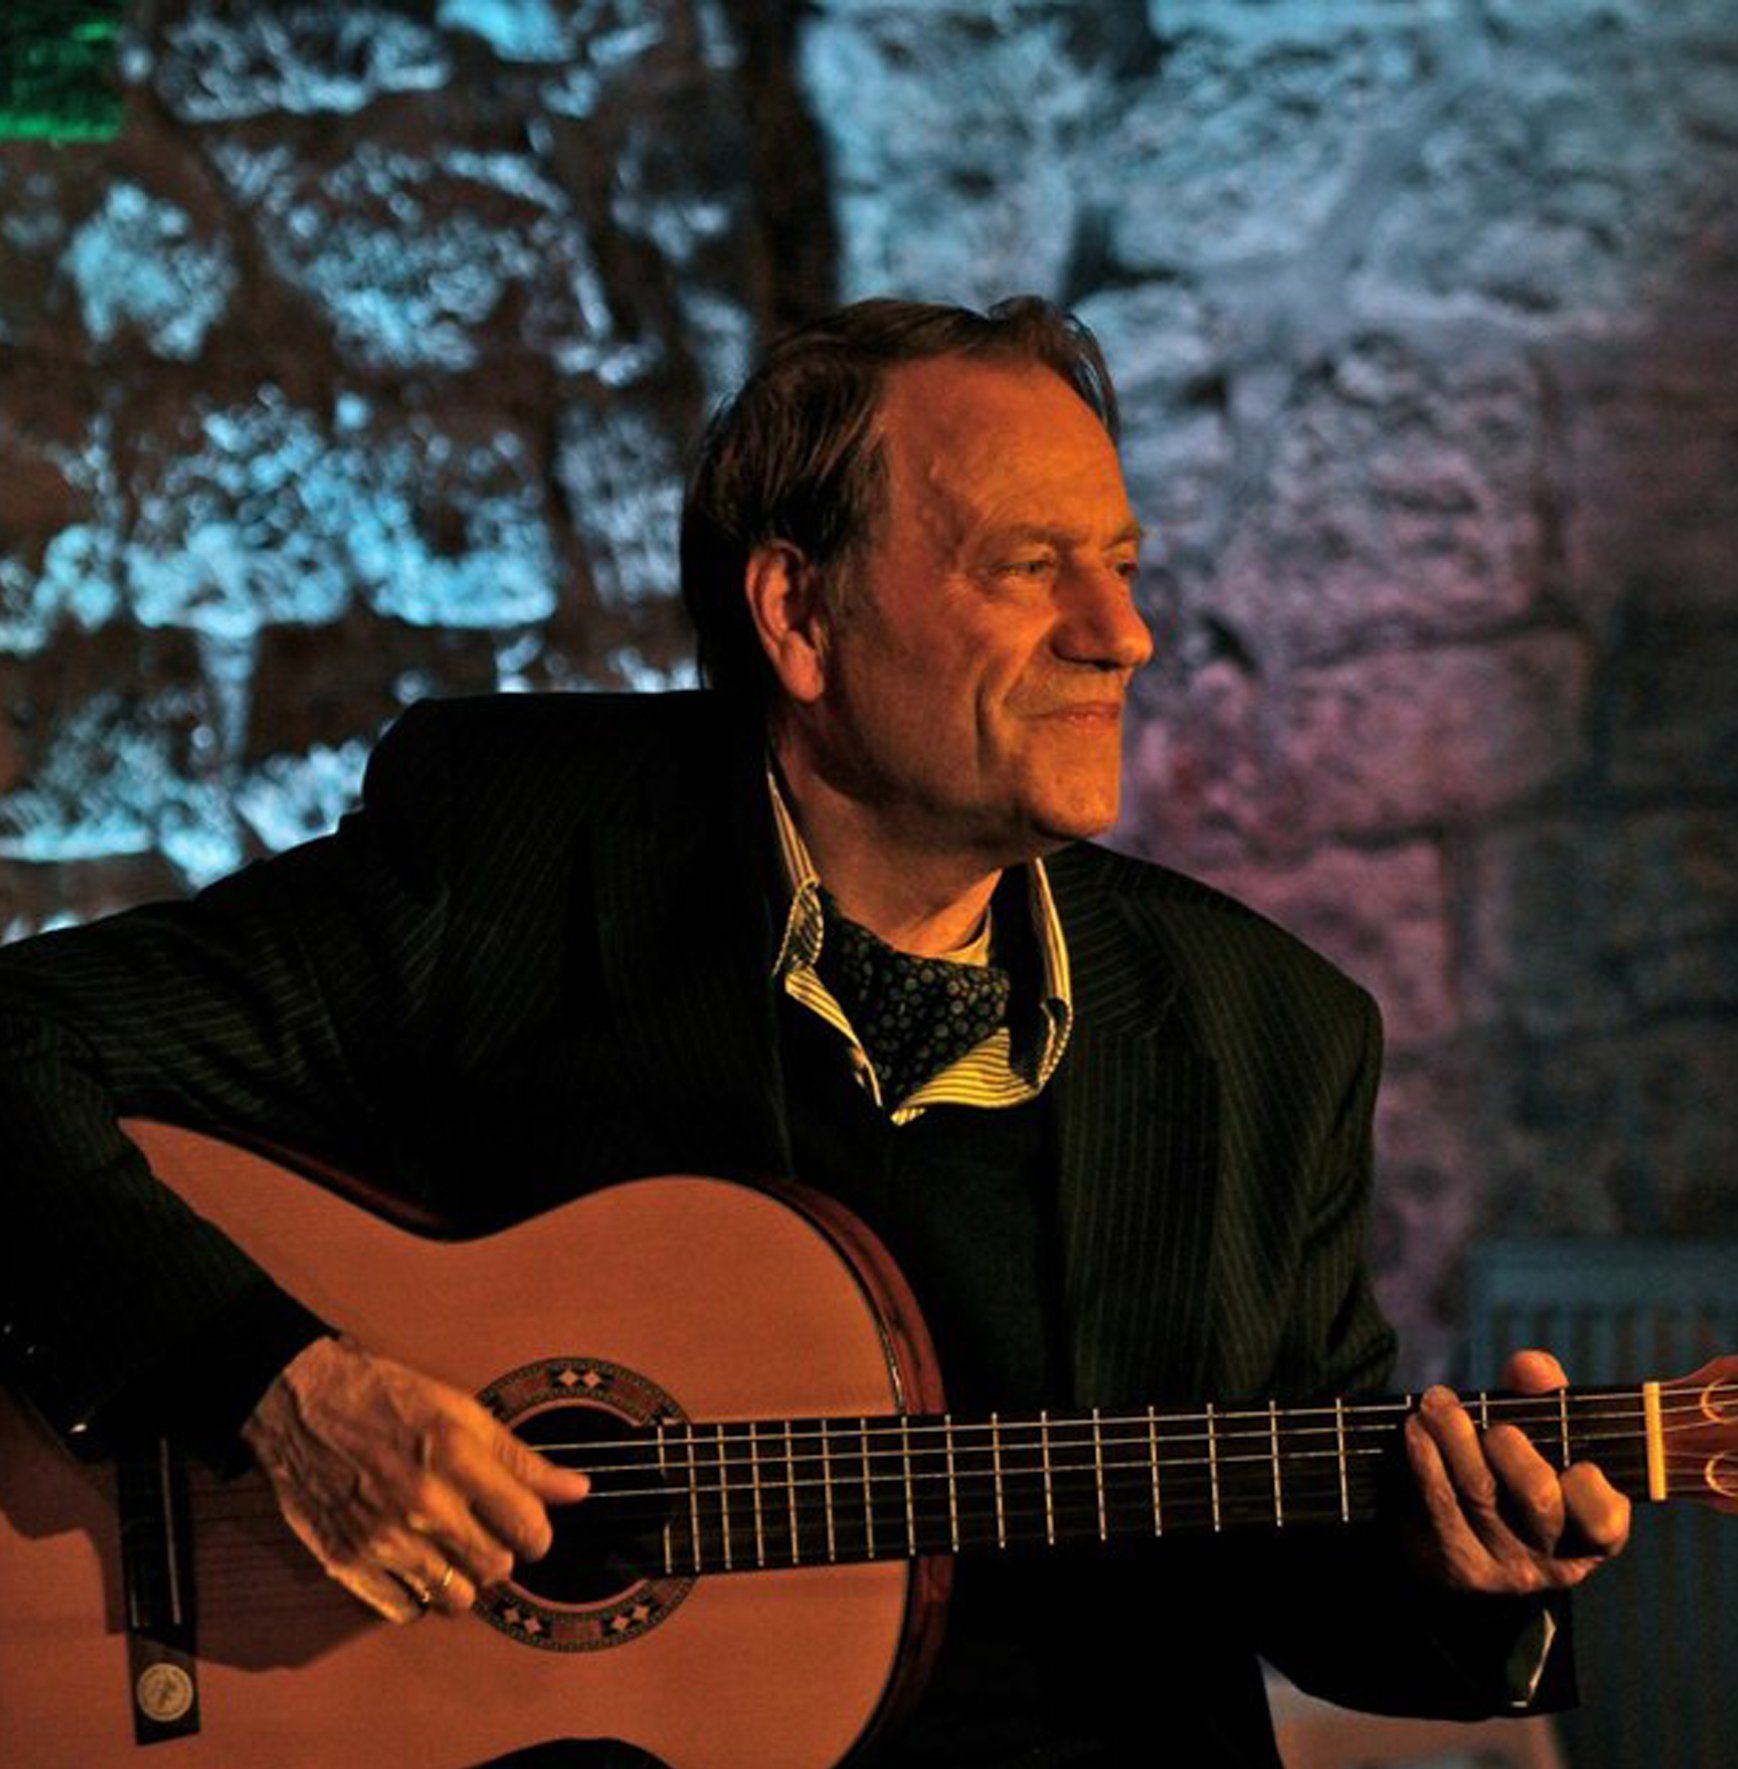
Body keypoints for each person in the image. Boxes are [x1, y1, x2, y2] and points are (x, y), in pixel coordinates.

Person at [0, 296, 1628, 1764]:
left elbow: (1304, 1578)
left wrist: (1470, 1572)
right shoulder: (518, 858)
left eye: (1123, 565)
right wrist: (284, 1392)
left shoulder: (1268, 1031)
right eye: (1030, 566)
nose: (1121, 634)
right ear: (797, 611)